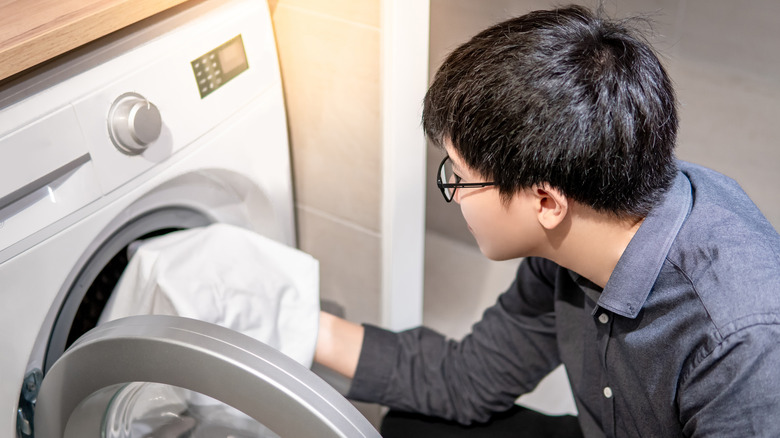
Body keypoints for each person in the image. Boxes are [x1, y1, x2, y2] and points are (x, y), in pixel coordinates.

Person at [315, 5, 780, 437]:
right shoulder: (581, 227)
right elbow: (468, 379)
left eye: (460, 177)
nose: (453, 195)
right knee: (410, 424)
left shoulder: (741, 346)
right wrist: (285, 319)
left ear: (545, 202)